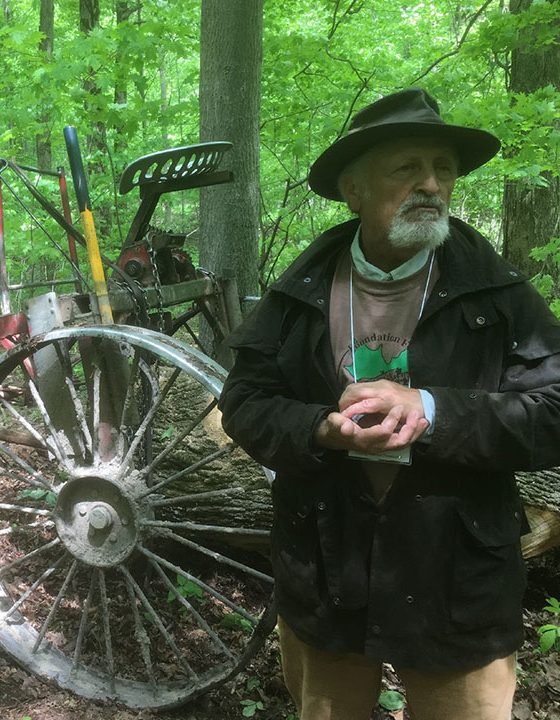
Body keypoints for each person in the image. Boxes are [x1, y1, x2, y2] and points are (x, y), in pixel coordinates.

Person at [219, 87, 560, 720]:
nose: (431, 183)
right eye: (407, 167)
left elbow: (555, 409)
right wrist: (321, 429)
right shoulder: (299, 293)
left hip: (456, 571)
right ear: (354, 189)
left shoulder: (499, 293)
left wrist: (434, 409)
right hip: (328, 561)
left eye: (444, 168)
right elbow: (243, 402)